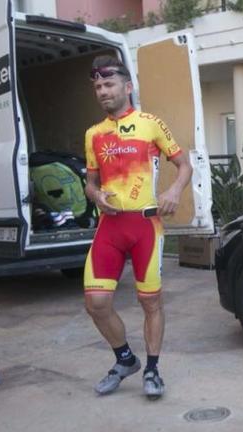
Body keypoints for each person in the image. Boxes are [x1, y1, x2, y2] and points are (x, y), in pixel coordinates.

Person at [82, 55, 192, 399]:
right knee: (96, 302)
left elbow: (183, 164)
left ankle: (153, 370)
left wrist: (174, 190)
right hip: (110, 227)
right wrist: (96, 195)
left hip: (146, 226)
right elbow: (90, 182)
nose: (102, 91)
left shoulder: (151, 123)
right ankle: (125, 359)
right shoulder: (93, 134)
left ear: (127, 87)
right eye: (98, 86)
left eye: (109, 84)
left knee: (151, 303)